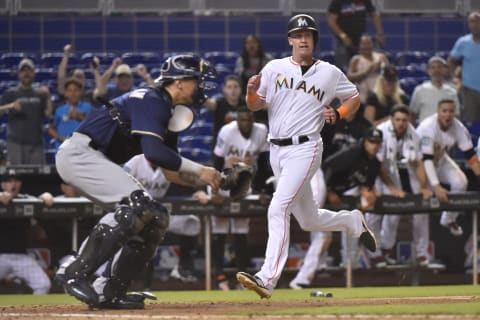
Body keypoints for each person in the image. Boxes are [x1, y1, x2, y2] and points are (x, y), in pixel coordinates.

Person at [54, 54, 221, 309]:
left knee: (156, 217)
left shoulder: (168, 111)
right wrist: (201, 170)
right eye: (197, 80)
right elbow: (153, 152)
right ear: (178, 83)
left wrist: (215, 179)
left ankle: (110, 289)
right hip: (79, 154)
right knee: (137, 205)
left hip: (96, 158)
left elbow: (169, 169)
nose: (202, 87)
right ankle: (75, 272)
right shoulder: (153, 100)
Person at [235, 14, 377, 299]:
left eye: (308, 35)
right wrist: (250, 94)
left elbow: (354, 97)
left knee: (278, 209)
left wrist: (339, 113)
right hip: (276, 149)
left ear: (313, 40)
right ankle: (351, 222)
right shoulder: (274, 68)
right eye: (298, 35)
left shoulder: (329, 72)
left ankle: (267, 277)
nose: (303, 39)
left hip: (306, 147)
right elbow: (255, 106)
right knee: (309, 220)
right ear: (290, 40)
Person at [209, 107, 270, 290]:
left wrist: (262, 190)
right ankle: (219, 277)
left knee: (241, 231)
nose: (246, 123)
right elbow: (217, 161)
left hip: (244, 183)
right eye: (242, 119)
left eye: (248, 119)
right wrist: (215, 191)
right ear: (237, 120)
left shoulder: (261, 130)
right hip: (224, 180)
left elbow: (265, 164)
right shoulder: (227, 131)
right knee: (219, 230)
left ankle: (242, 278)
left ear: (252, 119)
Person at [371, 105, 433, 267]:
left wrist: (423, 186)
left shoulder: (413, 134)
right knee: (374, 213)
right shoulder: (380, 131)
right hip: (374, 170)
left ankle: (386, 250)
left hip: (394, 171)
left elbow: (418, 163)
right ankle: (374, 253)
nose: (401, 123)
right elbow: (377, 164)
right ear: (392, 119)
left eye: (404, 120)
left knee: (395, 213)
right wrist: (392, 188)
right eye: (398, 120)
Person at [123, 154, 200, 284]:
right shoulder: (135, 162)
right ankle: (137, 282)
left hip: (158, 211)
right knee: (146, 241)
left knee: (192, 223)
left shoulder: (168, 165)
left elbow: (184, 184)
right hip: (135, 212)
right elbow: (120, 182)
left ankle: (182, 267)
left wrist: (198, 191)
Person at [416, 99, 480, 237]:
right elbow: (426, 159)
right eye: (444, 111)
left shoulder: (458, 127)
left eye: (451, 111)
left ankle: (448, 219)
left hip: (440, 160)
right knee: (421, 209)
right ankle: (422, 254)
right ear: (438, 112)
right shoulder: (428, 127)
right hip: (419, 164)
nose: (448, 114)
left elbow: (470, 155)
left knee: (461, 182)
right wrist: (436, 186)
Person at [0, 169, 53, 294]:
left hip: (21, 256)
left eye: (16, 181)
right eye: (8, 181)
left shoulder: (25, 199)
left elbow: (40, 200)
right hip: (1, 256)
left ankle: (35, 312)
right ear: (2, 184)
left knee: (43, 285)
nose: (13, 184)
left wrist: (45, 196)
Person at [0, 58, 52, 165]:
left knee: (36, 178)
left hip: (36, 143)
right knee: (16, 177)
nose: (26, 73)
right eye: (23, 71)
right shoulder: (11, 93)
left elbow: (48, 114)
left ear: (34, 73)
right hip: (15, 143)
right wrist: (10, 106)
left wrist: (48, 97)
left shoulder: (40, 93)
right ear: (19, 74)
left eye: (29, 70)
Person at [327, 0, 385, 71]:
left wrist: (380, 33)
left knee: (363, 67)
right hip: (343, 42)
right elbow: (331, 21)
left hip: (361, 41)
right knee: (343, 69)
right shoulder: (338, 1)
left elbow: (373, 15)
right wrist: (343, 37)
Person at [448, 11, 480, 123]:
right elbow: (450, 61)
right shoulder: (463, 42)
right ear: (468, 24)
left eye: (478, 21)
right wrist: (454, 78)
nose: (475, 24)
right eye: (472, 22)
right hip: (469, 91)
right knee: (471, 123)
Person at [409, 56, 460, 125]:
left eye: (439, 67)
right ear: (429, 71)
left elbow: (456, 116)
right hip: (425, 133)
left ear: (445, 70)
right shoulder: (419, 90)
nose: (436, 70)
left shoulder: (452, 92)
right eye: (433, 67)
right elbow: (412, 115)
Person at [48, 78, 92, 151]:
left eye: (76, 90)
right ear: (65, 93)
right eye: (69, 90)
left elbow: (93, 126)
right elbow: (51, 128)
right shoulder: (59, 110)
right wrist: (61, 138)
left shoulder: (88, 107)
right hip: (63, 150)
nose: (73, 93)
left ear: (80, 92)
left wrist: (79, 116)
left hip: (83, 150)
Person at [203, 74, 246, 144]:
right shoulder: (218, 103)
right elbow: (207, 102)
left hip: (242, 145)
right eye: (229, 87)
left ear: (241, 89)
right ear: (224, 89)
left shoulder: (247, 104)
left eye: (236, 87)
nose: (233, 90)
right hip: (221, 146)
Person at [347, 34, 389, 103]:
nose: (366, 46)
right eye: (364, 44)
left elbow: (389, 73)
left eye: (368, 43)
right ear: (359, 45)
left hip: (380, 96)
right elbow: (349, 78)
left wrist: (382, 68)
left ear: (372, 45)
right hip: (362, 98)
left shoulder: (381, 57)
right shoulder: (356, 59)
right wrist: (367, 71)